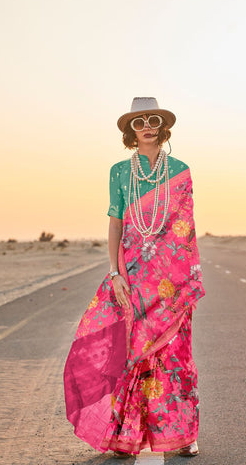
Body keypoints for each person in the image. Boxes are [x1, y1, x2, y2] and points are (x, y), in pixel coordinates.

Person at [63, 97, 205, 458]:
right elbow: (115, 222)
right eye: (139, 121)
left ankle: (182, 434)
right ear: (130, 129)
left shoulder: (181, 170)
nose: (147, 126)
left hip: (171, 280)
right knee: (130, 357)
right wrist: (114, 274)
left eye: (153, 119)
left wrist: (182, 281)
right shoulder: (119, 172)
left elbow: (184, 230)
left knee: (175, 355)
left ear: (163, 125)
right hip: (133, 276)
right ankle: (126, 436)